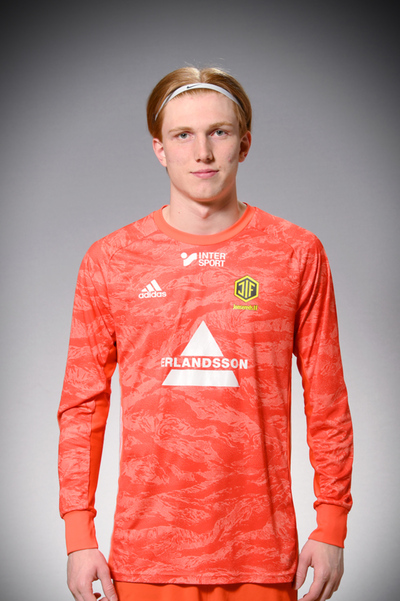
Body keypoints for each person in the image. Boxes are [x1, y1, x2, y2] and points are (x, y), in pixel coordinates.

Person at [58, 66, 353, 601]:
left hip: (263, 559)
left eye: (219, 132)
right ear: (159, 148)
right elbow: (82, 406)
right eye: (182, 135)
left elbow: (327, 398)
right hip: (144, 560)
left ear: (244, 143)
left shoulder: (296, 253)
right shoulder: (111, 260)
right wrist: (79, 537)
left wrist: (331, 524)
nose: (203, 152)